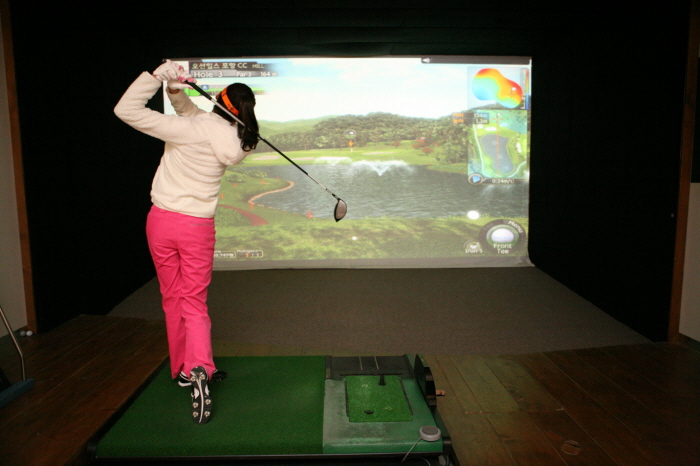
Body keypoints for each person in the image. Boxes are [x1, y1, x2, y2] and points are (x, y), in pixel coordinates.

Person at [114, 60, 259, 424]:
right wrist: (175, 91)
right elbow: (198, 117)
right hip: (197, 228)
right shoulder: (239, 140)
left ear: (218, 101)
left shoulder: (188, 129)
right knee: (193, 301)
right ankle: (196, 369)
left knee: (172, 297)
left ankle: (185, 367)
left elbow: (125, 110)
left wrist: (156, 78)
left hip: (161, 223)